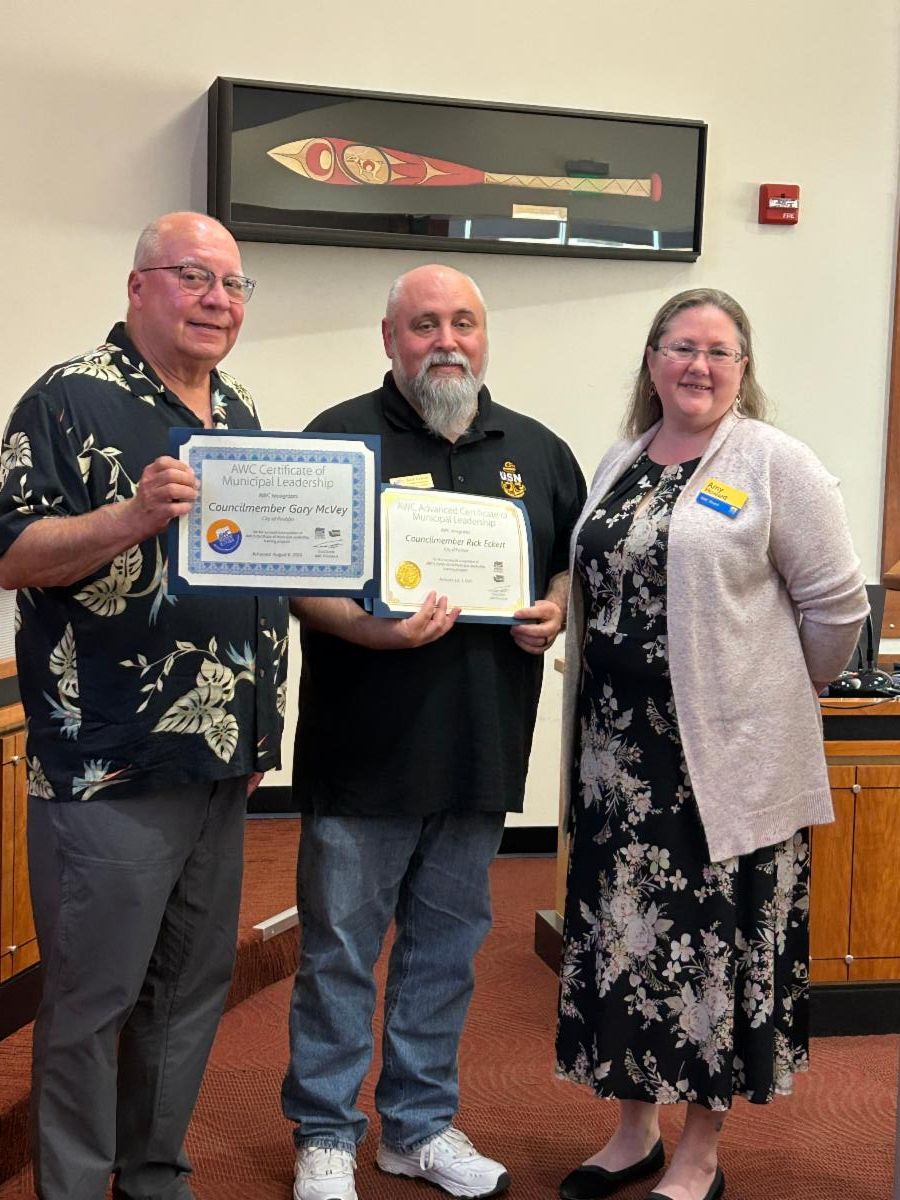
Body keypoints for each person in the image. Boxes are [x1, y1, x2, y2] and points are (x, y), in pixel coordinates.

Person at [554, 288, 867, 1200]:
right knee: (625, 946)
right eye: (681, 346)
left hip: (721, 768)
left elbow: (837, 605)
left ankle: (700, 1152)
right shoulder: (623, 458)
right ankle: (632, 1132)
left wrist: (777, 690)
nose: (698, 365)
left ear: (743, 368)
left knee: (710, 955)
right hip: (618, 762)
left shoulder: (776, 463)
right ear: (651, 360)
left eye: (718, 351)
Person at [0, 212, 289, 1200]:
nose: (218, 301)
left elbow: (262, 576)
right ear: (138, 288)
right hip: (107, 763)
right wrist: (130, 517)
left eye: (234, 285)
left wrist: (261, 726)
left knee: (187, 991)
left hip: (219, 760)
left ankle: (154, 1176)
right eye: (194, 278)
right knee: (93, 1003)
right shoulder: (68, 398)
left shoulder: (239, 410)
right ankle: (75, 1188)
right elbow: (11, 553)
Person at [282, 264, 586, 1200]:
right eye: (422, 325)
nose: (445, 340)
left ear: (484, 338)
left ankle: (417, 1127)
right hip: (361, 755)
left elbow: (571, 566)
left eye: (462, 323)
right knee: (338, 954)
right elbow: (297, 580)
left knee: (446, 956)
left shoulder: (537, 450)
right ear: (388, 339)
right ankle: (327, 1133)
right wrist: (370, 627)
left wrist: (554, 610)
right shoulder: (337, 439)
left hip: (482, 754)